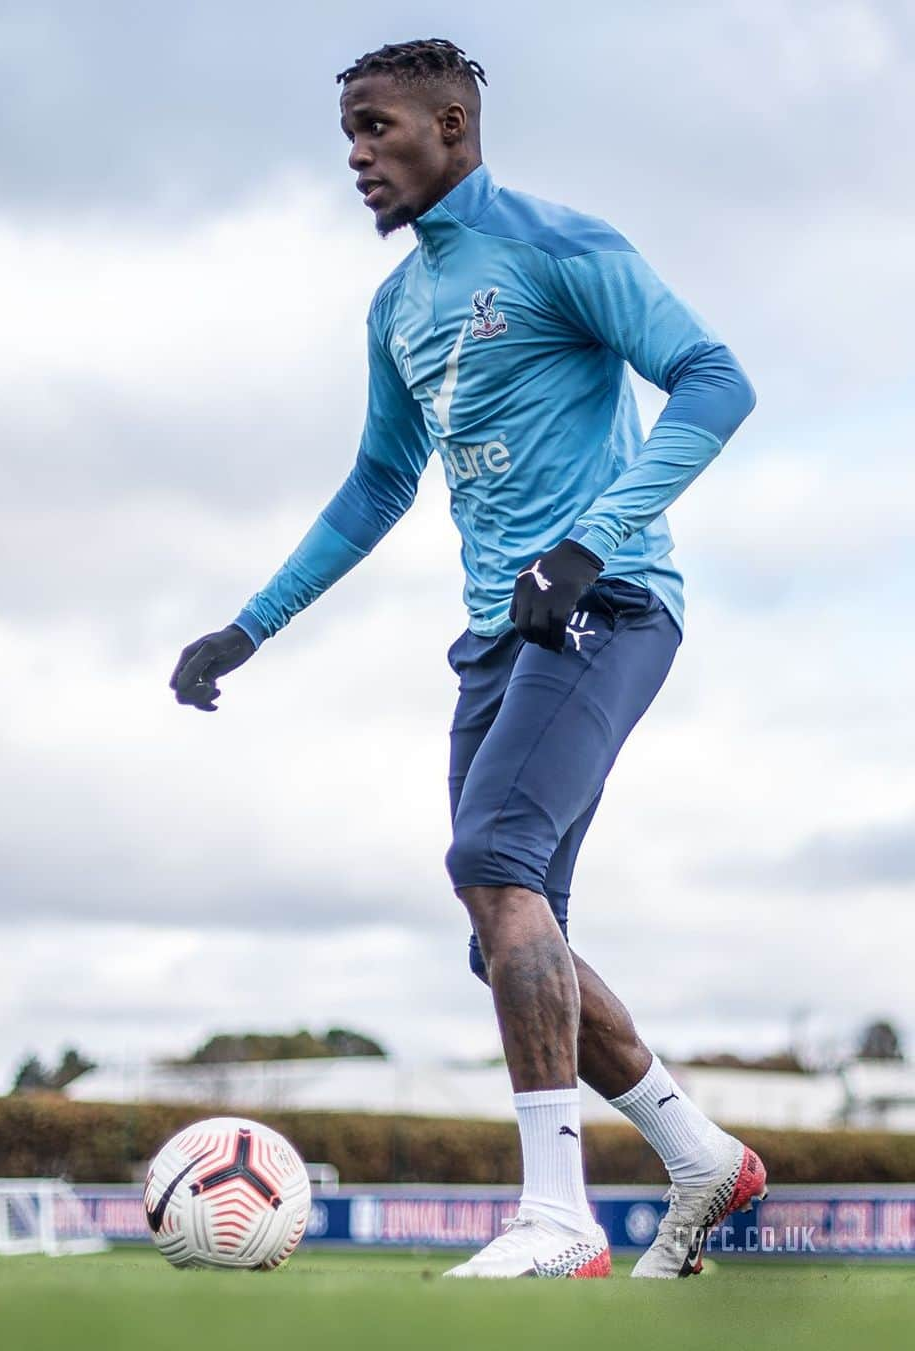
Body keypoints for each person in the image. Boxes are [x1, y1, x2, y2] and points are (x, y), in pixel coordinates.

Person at [170, 38, 766, 1279]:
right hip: (500, 636)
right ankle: (702, 1154)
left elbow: (716, 381)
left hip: (609, 608)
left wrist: (590, 546)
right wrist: (249, 624)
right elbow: (379, 483)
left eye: (378, 128)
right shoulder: (397, 308)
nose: (356, 156)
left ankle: (557, 1218)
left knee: (493, 862)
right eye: (348, 134)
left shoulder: (561, 247)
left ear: (454, 122)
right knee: (504, 926)